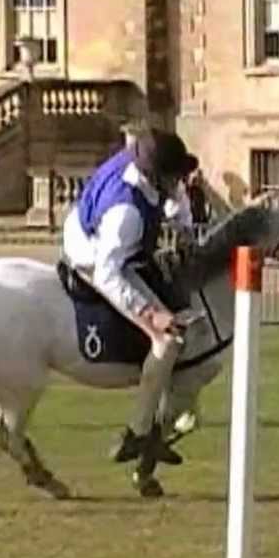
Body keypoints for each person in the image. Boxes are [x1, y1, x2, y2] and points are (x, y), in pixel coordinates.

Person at [62, 122, 199, 465]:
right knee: (168, 341)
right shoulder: (126, 215)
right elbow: (108, 274)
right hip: (93, 256)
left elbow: (175, 198)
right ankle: (138, 433)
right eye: (175, 176)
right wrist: (152, 315)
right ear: (158, 176)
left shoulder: (141, 162)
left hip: (96, 228)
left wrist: (184, 227)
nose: (180, 181)